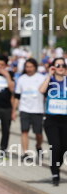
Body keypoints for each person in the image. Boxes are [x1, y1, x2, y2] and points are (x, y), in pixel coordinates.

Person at [39, 57, 67, 186]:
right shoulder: (50, 81)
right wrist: (49, 75)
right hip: (51, 120)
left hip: (65, 120)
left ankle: (56, 164)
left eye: (63, 65)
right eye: (57, 65)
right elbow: (41, 90)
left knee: (64, 148)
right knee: (55, 146)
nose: (60, 68)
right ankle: (55, 173)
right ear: (53, 67)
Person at [13, 58, 46, 161]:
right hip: (24, 109)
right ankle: (25, 152)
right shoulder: (21, 79)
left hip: (38, 109)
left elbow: (46, 94)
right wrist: (14, 110)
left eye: (31, 67)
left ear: (35, 67)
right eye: (27, 67)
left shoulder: (42, 78)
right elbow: (17, 96)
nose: (29, 69)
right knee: (24, 131)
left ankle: (38, 146)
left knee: (38, 133)